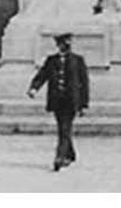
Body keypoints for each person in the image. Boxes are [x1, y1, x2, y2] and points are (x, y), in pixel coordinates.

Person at [28, 32, 90, 171]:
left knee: (64, 128)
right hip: (57, 100)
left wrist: (83, 104)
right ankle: (70, 153)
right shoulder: (52, 60)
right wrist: (34, 88)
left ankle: (59, 157)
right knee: (63, 128)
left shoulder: (77, 60)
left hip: (72, 101)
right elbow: (42, 75)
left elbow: (84, 84)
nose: (66, 46)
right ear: (58, 45)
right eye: (63, 44)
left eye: (68, 44)